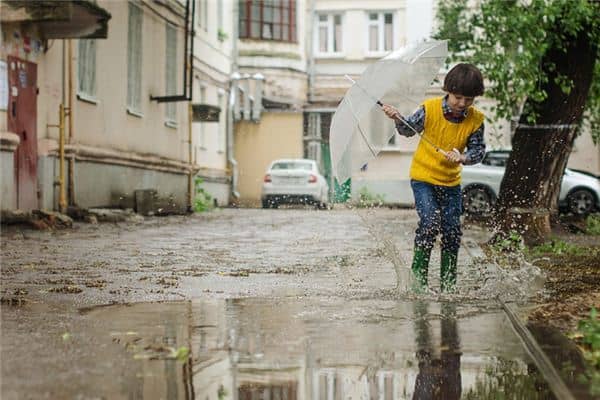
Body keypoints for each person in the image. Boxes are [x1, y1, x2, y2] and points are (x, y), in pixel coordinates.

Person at [381, 63, 486, 292]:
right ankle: (419, 284)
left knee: (451, 230)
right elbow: (407, 130)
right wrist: (397, 117)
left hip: (451, 182)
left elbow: (478, 151)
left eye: (469, 99)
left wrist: (463, 157)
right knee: (429, 224)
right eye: (458, 97)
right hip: (424, 178)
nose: (462, 104)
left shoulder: (476, 120)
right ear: (448, 91)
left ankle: (448, 285)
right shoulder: (429, 109)